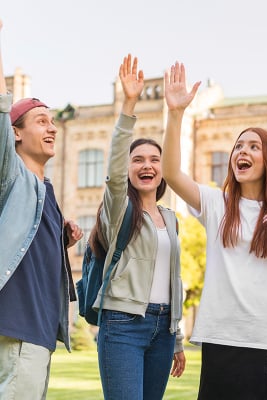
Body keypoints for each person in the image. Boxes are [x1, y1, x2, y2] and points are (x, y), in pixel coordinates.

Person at [162, 62, 267, 400]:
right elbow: (171, 173)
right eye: (239, 146)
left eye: (254, 147)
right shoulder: (216, 204)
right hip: (222, 339)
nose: (243, 151)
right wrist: (176, 113)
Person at [93, 54, 185, 400]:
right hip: (123, 324)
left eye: (154, 160)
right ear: (129, 169)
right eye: (138, 160)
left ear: (162, 170)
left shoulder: (171, 217)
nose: (146, 165)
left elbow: (173, 278)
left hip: (162, 329)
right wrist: (129, 106)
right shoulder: (120, 208)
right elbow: (114, 174)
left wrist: (175, 337)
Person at [0, 19, 83, 399]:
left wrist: (59, 240)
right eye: (40, 121)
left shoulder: (45, 192)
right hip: (15, 329)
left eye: (53, 122)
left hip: (38, 333)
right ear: (16, 132)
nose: (51, 128)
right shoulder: (11, 175)